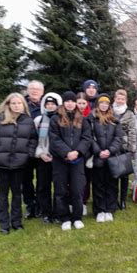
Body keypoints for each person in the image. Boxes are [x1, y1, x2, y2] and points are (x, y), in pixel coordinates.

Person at [0, 93, 38, 234]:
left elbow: (33, 139)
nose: (16, 106)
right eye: (13, 103)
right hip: (1, 163)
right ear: (8, 104)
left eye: (19, 103)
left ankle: (16, 221)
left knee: (17, 193)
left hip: (20, 163)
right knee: (3, 193)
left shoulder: (28, 121)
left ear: (23, 105)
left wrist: (29, 155)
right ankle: (4, 223)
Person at [49, 91, 92, 231]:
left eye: (72, 101)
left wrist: (77, 152)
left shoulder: (83, 119)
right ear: (63, 102)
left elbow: (87, 138)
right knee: (60, 190)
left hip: (77, 160)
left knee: (77, 189)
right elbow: (54, 139)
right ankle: (65, 217)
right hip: (60, 160)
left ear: (75, 103)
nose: (70, 103)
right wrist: (66, 152)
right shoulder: (55, 119)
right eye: (67, 101)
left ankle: (77, 217)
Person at [88, 94, 123, 223]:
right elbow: (89, 137)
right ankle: (99, 210)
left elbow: (118, 138)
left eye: (106, 103)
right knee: (98, 185)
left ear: (109, 105)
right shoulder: (91, 119)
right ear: (98, 104)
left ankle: (110, 209)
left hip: (112, 157)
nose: (104, 105)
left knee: (112, 185)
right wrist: (98, 151)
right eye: (101, 103)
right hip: (98, 157)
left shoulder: (115, 119)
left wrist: (110, 150)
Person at [33, 92, 62, 224]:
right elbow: (34, 140)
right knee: (43, 186)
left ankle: (57, 212)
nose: (50, 106)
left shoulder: (62, 119)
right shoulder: (38, 120)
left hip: (58, 158)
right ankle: (46, 212)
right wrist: (41, 154)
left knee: (59, 186)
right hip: (43, 157)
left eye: (53, 104)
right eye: (48, 104)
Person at [23, 80, 45, 219]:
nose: (34, 91)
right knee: (26, 180)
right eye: (32, 89)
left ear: (42, 92)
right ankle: (30, 205)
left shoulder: (47, 106)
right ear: (27, 90)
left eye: (37, 89)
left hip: (42, 149)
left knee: (42, 180)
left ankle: (41, 206)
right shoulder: (21, 105)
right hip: (25, 149)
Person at [113, 89, 136, 210]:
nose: (120, 100)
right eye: (118, 98)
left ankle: (122, 200)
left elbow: (132, 131)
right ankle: (114, 199)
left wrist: (132, 148)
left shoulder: (129, 114)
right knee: (114, 174)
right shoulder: (110, 111)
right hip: (112, 146)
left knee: (125, 175)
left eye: (123, 99)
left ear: (125, 100)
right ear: (115, 99)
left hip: (125, 147)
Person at [77, 91, 92, 216]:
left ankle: (84, 202)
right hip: (75, 153)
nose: (81, 106)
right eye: (79, 103)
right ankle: (74, 202)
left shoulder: (90, 115)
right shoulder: (72, 115)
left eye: (83, 103)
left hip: (87, 153)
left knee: (86, 180)